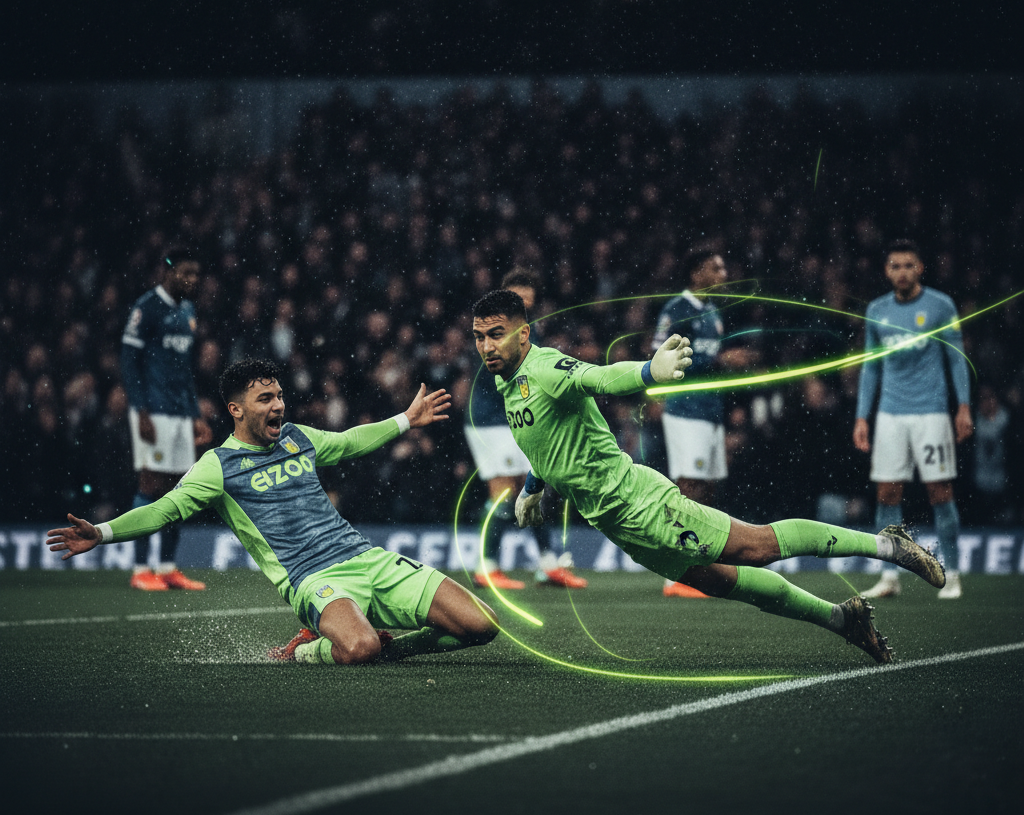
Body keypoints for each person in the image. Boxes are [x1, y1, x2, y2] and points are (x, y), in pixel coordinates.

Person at [471, 289, 949, 667]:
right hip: (616, 524)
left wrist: (648, 371)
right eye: (479, 336)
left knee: (758, 547)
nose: (487, 346)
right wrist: (533, 487)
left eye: (497, 334)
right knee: (723, 582)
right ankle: (843, 619)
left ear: (524, 334)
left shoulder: (545, 367)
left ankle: (889, 545)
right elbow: (551, 438)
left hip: (641, 503)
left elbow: (597, 378)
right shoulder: (506, 381)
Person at [47, 358, 499, 665]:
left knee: (483, 626)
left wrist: (405, 419)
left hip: (366, 558)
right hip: (313, 579)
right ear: (236, 409)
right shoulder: (217, 466)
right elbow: (163, 510)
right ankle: (304, 650)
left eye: (279, 395)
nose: (278, 404)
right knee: (360, 648)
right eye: (265, 399)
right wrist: (102, 533)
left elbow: (348, 442)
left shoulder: (296, 436)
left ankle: (395, 650)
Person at [853, 239, 973, 600]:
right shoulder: (877, 310)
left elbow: (956, 358)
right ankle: (889, 577)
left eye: (908, 265)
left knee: (940, 491)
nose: (902, 272)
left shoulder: (940, 305)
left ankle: (952, 574)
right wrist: (862, 417)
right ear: (886, 271)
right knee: (887, 494)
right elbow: (871, 368)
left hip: (931, 414)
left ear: (920, 268)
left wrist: (963, 406)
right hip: (890, 415)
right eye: (895, 266)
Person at [463, 268, 586, 590]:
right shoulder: (492, 332)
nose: (524, 305)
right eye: (518, 298)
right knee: (503, 493)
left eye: (529, 301)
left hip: (515, 420)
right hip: (490, 420)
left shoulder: (530, 330)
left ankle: (548, 565)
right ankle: (486, 567)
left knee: (531, 491)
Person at [651, 247, 758, 597]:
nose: (723, 274)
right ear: (697, 273)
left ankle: (699, 566)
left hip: (711, 412)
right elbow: (662, 358)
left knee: (708, 490)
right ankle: (675, 573)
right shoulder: (677, 310)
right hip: (685, 410)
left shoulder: (713, 312)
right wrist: (719, 360)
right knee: (689, 487)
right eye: (716, 268)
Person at [119, 246, 214, 590]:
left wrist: (195, 414)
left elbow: (184, 370)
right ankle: (140, 569)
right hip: (153, 411)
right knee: (150, 485)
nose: (192, 280)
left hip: (179, 413)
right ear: (167, 271)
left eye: (196, 274)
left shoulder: (188, 311)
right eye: (185, 273)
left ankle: (168, 566)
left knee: (178, 489)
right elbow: (129, 363)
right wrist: (140, 410)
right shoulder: (146, 308)